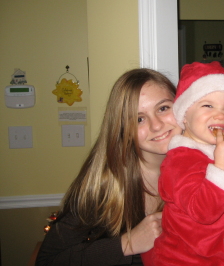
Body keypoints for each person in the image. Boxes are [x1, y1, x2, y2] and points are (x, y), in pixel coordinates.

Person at [36, 68, 183, 265]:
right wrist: (127, 244)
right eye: (139, 119)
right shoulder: (105, 185)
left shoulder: (208, 172)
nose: (156, 125)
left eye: (163, 108)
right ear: (123, 130)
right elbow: (47, 261)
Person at [142, 61, 224, 266]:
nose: (220, 114)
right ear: (184, 117)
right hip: (183, 259)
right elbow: (203, 211)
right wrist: (223, 166)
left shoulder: (213, 152)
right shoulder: (179, 161)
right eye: (207, 105)